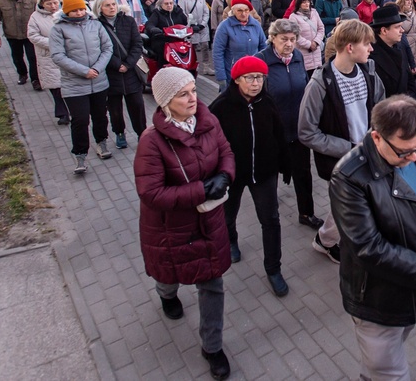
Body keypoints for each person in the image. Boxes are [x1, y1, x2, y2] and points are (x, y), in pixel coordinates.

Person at [330, 96, 416, 379]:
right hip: (378, 299)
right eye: (404, 152)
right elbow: (369, 247)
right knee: (390, 372)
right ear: (377, 137)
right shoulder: (348, 177)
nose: (413, 157)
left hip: (414, 282)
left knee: (387, 358)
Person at [134, 67, 234, 380]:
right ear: (165, 101)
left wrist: (224, 176)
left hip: (209, 219)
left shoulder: (207, 120)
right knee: (169, 274)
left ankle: (212, 346)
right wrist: (201, 190)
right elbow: (150, 192)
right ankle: (166, 295)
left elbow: (226, 152)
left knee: (212, 282)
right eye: (183, 94)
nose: (193, 98)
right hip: (170, 227)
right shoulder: (151, 141)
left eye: (193, 90)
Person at [298, 19, 385, 264]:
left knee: (354, 205)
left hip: (369, 153)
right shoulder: (320, 83)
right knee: (349, 208)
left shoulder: (369, 72)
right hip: (342, 162)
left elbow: (380, 107)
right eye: (366, 44)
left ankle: (327, 240)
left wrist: (376, 135)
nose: (371, 49)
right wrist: (349, 148)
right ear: (349, 47)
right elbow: (307, 132)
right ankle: (326, 242)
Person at [209, 56, 290, 296]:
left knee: (271, 220)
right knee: (227, 215)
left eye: (260, 78)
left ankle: (273, 269)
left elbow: (279, 133)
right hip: (232, 174)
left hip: (264, 172)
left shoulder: (267, 101)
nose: (256, 83)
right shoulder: (221, 106)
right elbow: (210, 144)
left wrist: (285, 164)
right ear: (237, 80)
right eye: (250, 78)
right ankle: (231, 240)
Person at [256, 19, 323, 229]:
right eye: (284, 39)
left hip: (298, 129)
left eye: (293, 39)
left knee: (303, 174)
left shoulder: (297, 57)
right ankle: (270, 217)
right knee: (270, 175)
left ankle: (306, 213)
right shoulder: (261, 61)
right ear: (273, 38)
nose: (289, 44)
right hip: (273, 132)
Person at [50, 0, 114, 174]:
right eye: (74, 10)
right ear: (66, 11)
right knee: (80, 120)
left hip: (99, 81)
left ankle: (102, 143)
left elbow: (107, 48)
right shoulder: (59, 29)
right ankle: (80, 155)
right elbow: (58, 56)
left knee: (100, 115)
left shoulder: (95, 25)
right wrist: (83, 71)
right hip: (75, 84)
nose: (78, 13)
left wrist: (97, 68)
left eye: (80, 9)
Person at [94, 0, 147, 148]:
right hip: (111, 73)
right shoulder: (97, 25)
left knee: (137, 106)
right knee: (115, 109)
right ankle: (119, 132)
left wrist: (128, 64)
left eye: (113, 4)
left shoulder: (128, 21)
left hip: (131, 72)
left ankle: (141, 134)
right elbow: (99, 49)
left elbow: (137, 44)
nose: (112, 7)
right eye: (107, 5)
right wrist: (117, 65)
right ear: (100, 8)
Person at [27, 0, 70, 125]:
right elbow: (33, 36)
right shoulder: (35, 17)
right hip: (48, 56)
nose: (53, 6)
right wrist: (52, 43)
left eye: (55, 2)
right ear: (42, 4)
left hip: (67, 53)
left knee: (68, 84)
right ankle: (62, 113)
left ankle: (72, 109)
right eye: (49, 3)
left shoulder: (66, 13)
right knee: (55, 85)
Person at [0, 0, 41, 89]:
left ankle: (36, 79)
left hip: (30, 35)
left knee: (33, 57)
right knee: (17, 57)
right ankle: (22, 74)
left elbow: (39, 16)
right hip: (12, 34)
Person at [212, 0, 268, 91]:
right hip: (233, 74)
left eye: (246, 10)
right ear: (233, 11)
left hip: (253, 73)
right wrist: (221, 77)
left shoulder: (256, 25)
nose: (244, 13)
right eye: (240, 11)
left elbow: (263, 47)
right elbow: (217, 52)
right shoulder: (224, 26)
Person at [368, 4, 412, 98]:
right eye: (397, 27)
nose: (402, 30)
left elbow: (409, 82)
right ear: (384, 31)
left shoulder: (399, 46)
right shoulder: (369, 55)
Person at [177, 0, 213, 76]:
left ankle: (206, 66)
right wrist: (190, 24)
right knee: (192, 48)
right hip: (191, 27)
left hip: (202, 26)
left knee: (205, 46)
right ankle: (194, 66)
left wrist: (203, 24)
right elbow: (182, 13)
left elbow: (206, 12)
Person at [288, 0, 325, 79]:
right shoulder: (293, 17)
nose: (306, 4)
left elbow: (321, 28)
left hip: (316, 51)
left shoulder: (314, 13)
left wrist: (316, 42)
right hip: (303, 52)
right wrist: (309, 44)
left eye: (308, 1)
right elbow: (294, 35)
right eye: (304, 2)